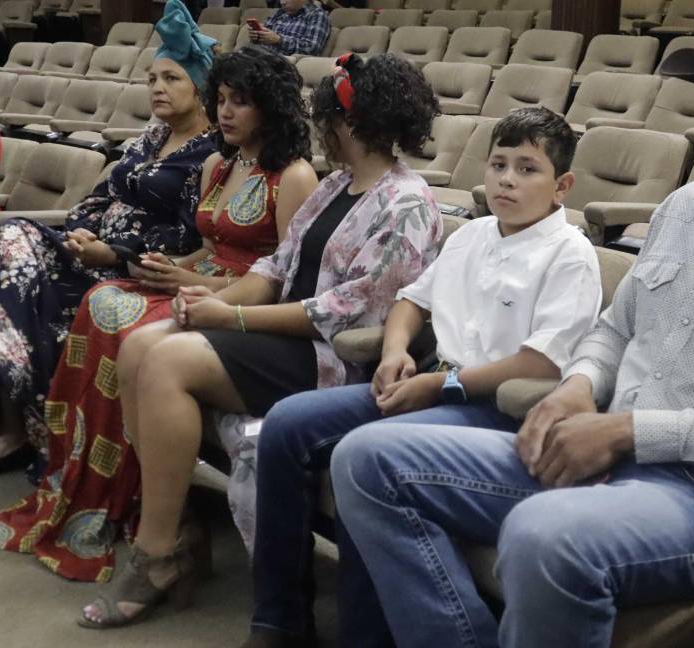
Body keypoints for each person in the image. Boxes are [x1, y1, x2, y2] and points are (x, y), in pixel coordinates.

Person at [330, 11, 694, 648]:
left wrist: (628, 430)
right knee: (364, 459)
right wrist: (577, 388)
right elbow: (614, 332)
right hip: (598, 448)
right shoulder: (684, 208)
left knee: (544, 536)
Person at [77, 52, 442, 629]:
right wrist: (216, 304)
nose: (320, 128)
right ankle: (177, 524)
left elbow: (345, 314)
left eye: (328, 117)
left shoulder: (407, 202)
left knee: (168, 361)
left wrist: (233, 319)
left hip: (333, 360)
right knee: (142, 344)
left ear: (352, 123)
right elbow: (275, 267)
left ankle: (156, 554)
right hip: (284, 335)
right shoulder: (336, 185)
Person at [246, 106, 604, 648]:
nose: (507, 180)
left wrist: (440, 386)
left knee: (365, 458)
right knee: (287, 423)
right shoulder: (473, 234)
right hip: (433, 385)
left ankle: (366, 638)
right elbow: (411, 301)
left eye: (527, 169)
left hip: (496, 409)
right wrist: (394, 352)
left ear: (563, 186)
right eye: (499, 165)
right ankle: (280, 619)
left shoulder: (569, 255)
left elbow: (542, 364)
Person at [0, 46, 318, 583]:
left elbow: (282, 279)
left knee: (122, 318)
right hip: (198, 280)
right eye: (221, 99)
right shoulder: (219, 164)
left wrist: (195, 284)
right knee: (101, 299)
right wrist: (168, 267)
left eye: (240, 102)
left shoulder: (294, 176)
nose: (225, 112)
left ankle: (136, 500)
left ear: (270, 107)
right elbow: (206, 246)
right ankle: (98, 483)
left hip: (239, 299)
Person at [0, 0, 218, 478]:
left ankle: (7, 395)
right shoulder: (150, 138)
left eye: (171, 78)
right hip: (89, 253)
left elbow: (188, 232)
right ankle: (4, 378)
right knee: (13, 236)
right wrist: (83, 229)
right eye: (152, 79)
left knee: (18, 253)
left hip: (134, 268)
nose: (157, 87)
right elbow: (101, 194)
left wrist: (111, 252)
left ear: (201, 89)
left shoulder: (211, 155)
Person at [246, 0, 331, 57]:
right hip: (260, 56)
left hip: (282, 64)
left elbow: (312, 49)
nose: (282, 2)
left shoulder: (317, 15)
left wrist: (279, 40)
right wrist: (257, 37)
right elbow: (262, 40)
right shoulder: (279, 13)